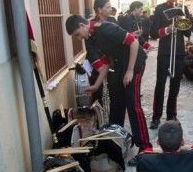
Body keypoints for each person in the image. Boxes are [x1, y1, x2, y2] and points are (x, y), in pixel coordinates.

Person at [65, 14, 152, 162]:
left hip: (134, 62)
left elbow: (134, 42)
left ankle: (145, 148)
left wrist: (130, 71)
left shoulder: (105, 28)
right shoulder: (91, 36)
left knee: (133, 104)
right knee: (117, 102)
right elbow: (106, 61)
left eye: (77, 35)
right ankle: (117, 141)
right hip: (120, 65)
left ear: (81, 25)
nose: (79, 38)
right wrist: (96, 85)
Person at [149, 0, 191, 129]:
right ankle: (156, 117)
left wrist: (182, 21)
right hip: (165, 52)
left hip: (179, 52)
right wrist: (167, 29)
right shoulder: (160, 9)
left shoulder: (184, 8)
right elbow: (153, 33)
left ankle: (171, 115)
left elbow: (188, 33)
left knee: (175, 85)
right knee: (160, 84)